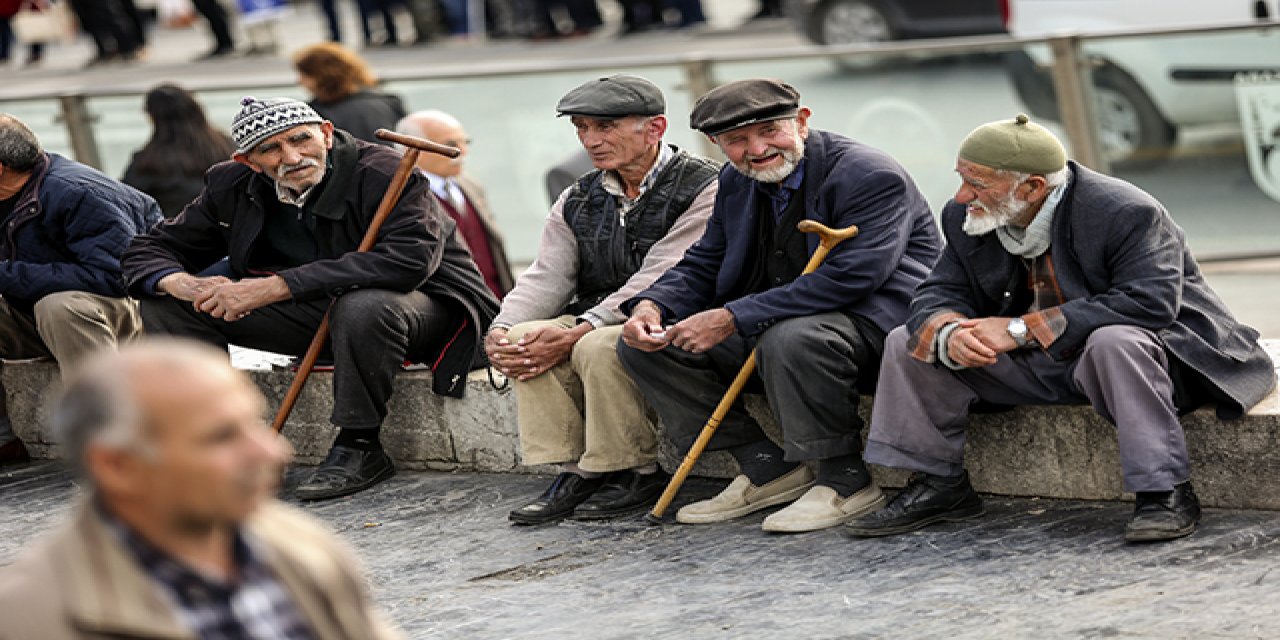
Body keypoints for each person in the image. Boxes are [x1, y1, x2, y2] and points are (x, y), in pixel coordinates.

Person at [845, 114, 1278, 543]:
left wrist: (1018, 329)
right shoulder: (967, 215)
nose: (962, 196)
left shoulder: (1126, 212)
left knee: (1115, 341)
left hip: (1141, 362)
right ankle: (939, 485)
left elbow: (1151, 303)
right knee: (911, 340)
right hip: (1039, 364)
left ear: (1032, 187)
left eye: (976, 184)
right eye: (961, 179)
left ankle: (1163, 491)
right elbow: (937, 291)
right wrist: (951, 332)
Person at [121, 96, 500, 501]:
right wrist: (182, 283)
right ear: (249, 161)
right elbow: (147, 250)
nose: (292, 156)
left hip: (425, 309)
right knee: (166, 301)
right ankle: (219, 437)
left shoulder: (384, 172)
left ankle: (360, 444)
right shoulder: (230, 184)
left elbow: (409, 263)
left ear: (326, 133)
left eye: (301, 140)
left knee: (363, 304)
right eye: (271, 149)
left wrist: (276, 286)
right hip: (320, 311)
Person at [617, 79, 942, 533]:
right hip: (780, 319)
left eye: (770, 130)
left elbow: (854, 278)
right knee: (648, 346)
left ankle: (845, 480)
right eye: (736, 140)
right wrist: (652, 306)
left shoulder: (868, 174)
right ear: (716, 143)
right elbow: (706, 261)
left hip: (877, 325)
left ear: (802, 122)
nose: (757, 148)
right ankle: (768, 467)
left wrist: (733, 316)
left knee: (791, 337)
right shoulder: (734, 180)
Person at [0, 339, 405, 639]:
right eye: (222, 436)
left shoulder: (300, 547)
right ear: (117, 466)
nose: (275, 450)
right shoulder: (30, 619)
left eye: (255, 423)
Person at [492, 74, 719, 524]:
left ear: (655, 128)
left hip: (672, 311)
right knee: (525, 335)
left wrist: (584, 326)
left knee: (599, 344)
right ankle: (577, 469)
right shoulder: (578, 195)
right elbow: (547, 275)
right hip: (598, 312)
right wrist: (499, 331)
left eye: (605, 127)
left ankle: (633, 468)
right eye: (581, 128)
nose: (590, 140)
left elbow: (664, 274)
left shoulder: (705, 185)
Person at [0, 114, 160, 466]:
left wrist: (8, 275)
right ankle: (3, 439)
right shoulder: (10, 191)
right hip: (32, 315)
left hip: (118, 314)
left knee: (60, 306)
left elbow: (116, 277)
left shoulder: (80, 193)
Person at [396, 109, 515, 299]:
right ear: (414, 148)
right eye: (450, 144)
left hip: (499, 306)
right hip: (455, 313)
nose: (463, 152)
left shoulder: (472, 187)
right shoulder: (399, 197)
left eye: (465, 142)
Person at [121, 83, 236, 218]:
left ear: (153, 117)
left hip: (180, 233)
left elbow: (127, 203)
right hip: (231, 229)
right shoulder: (229, 148)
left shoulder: (147, 164)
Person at [294, 41, 407, 146]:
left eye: (304, 75)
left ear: (322, 76)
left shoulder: (317, 114)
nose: (299, 81)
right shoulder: (389, 102)